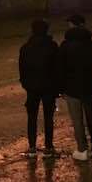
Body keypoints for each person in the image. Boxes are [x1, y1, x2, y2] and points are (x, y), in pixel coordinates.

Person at [58, 14, 92, 161]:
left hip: (72, 90)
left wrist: (61, 89)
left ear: (73, 25)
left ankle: (82, 149)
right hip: (90, 89)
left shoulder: (65, 46)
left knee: (77, 121)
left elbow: (60, 69)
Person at [18, 18, 60, 157]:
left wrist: (26, 84)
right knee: (48, 117)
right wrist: (57, 87)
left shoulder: (26, 47)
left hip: (32, 88)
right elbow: (57, 68)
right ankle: (49, 147)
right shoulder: (52, 46)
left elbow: (22, 69)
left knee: (32, 118)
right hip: (49, 87)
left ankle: (32, 147)